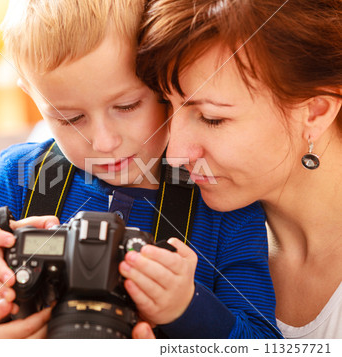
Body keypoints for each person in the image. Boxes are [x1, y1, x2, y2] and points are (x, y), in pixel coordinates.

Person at [0, 0, 281, 339]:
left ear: (164, 80)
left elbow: (263, 341)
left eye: (126, 106)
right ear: (32, 94)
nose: (103, 143)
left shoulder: (219, 200)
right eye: (69, 118)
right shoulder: (20, 176)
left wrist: (186, 306)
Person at [136, 0, 342, 339]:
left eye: (212, 118)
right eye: (165, 105)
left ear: (315, 112)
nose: (173, 156)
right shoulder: (195, 228)